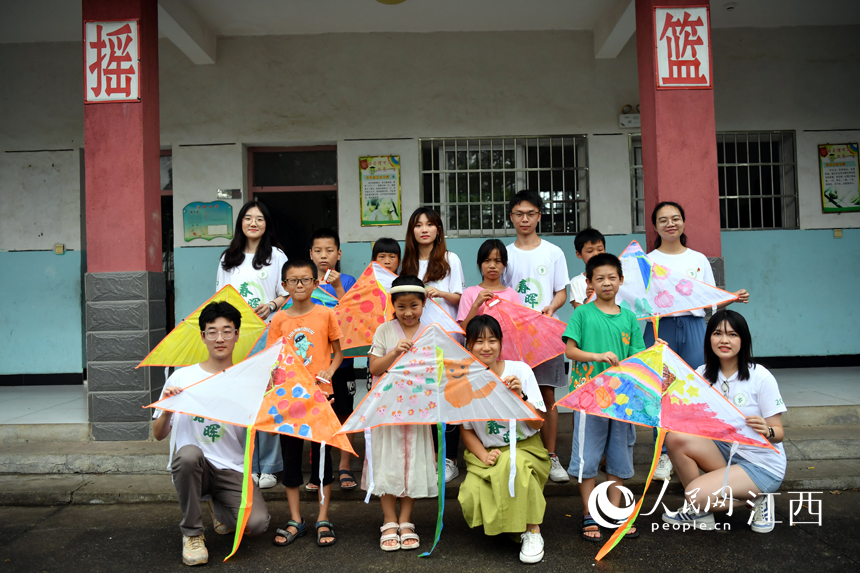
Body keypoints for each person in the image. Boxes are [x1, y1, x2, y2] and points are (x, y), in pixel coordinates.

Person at [153, 301, 270, 566]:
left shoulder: (249, 381)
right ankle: (192, 534)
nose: (220, 338)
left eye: (227, 331)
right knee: (189, 455)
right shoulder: (181, 379)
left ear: (237, 335)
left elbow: (269, 431)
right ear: (203, 336)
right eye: (213, 331)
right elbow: (159, 434)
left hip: (231, 469)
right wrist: (168, 410)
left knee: (257, 525)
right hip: (194, 466)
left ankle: (217, 505)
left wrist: (293, 404)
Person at [645, 201, 750, 480]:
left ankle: (698, 447)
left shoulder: (698, 259)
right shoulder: (646, 261)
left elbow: (708, 296)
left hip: (693, 327)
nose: (671, 224)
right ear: (655, 226)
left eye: (676, 218)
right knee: (661, 391)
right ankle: (663, 454)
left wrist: (730, 296)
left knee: (696, 389)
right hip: (659, 329)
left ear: (683, 222)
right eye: (664, 220)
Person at [662, 309, 785, 533]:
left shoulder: (760, 377)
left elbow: (779, 433)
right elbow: (678, 408)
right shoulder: (701, 375)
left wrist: (767, 430)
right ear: (709, 338)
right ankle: (702, 515)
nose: (724, 340)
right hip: (725, 453)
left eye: (732, 334)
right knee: (675, 438)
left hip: (760, 463)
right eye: (718, 333)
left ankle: (758, 499)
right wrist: (663, 359)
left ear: (743, 340)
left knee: (694, 495)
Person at [563, 253, 646, 542]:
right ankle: (588, 513)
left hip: (622, 400)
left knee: (619, 458)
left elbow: (638, 358)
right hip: (588, 398)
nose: (606, 283)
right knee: (587, 457)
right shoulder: (582, 314)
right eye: (599, 278)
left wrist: (653, 360)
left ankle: (613, 512)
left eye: (612, 277)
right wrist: (597, 356)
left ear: (621, 280)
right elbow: (569, 351)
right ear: (589, 283)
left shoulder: (629, 317)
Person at [459, 315, 550, 564]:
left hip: (526, 447)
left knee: (515, 464)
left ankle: (532, 531)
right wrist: (483, 455)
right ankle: (512, 526)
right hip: (488, 450)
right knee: (471, 492)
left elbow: (537, 422)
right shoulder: (464, 380)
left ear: (501, 343)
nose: (486, 347)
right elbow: (466, 430)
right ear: (468, 345)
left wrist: (519, 397)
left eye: (492, 340)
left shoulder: (520, 370)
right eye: (478, 341)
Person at [267, 259, 344, 548]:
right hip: (288, 400)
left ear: (315, 283)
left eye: (305, 280)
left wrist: (330, 372)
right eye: (293, 281)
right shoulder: (279, 320)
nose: (299, 285)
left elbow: (339, 353)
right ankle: (295, 519)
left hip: (322, 396)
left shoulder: (326, 314)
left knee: (322, 461)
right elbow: (273, 360)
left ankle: (323, 518)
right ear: (284, 286)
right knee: (290, 461)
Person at [216, 200, 288, 490]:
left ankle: (269, 466)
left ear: (266, 224)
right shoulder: (228, 258)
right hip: (237, 338)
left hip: (268, 337)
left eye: (259, 218)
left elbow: (286, 293)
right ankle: (249, 464)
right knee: (242, 402)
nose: (253, 223)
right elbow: (220, 297)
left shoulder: (277, 257)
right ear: (240, 223)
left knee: (267, 400)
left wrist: (270, 304)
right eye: (248, 218)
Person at [364, 275, 438, 552]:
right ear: (392, 305)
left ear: (424, 304)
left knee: (413, 464)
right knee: (388, 463)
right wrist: (395, 352)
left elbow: (436, 371)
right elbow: (374, 368)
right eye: (402, 306)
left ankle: (406, 521)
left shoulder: (431, 331)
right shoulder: (384, 331)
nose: (408, 312)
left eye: (414, 306)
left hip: (418, 411)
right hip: (387, 410)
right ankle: (389, 520)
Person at [502, 190, 570, 484]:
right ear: (511, 218)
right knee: (512, 392)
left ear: (540, 216)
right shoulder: (505, 254)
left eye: (530, 213)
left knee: (548, 395)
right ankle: (517, 450)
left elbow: (562, 292)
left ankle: (551, 455)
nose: (525, 219)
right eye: (519, 214)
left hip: (546, 334)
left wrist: (551, 308)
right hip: (514, 337)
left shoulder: (553, 252)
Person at [402, 207, 465, 482]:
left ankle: (449, 459)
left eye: (430, 224)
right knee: (424, 399)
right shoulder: (408, 262)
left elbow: (462, 300)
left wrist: (440, 293)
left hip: (448, 338)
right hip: (417, 340)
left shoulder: (450, 259)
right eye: (418, 225)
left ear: (438, 229)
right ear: (412, 231)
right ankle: (428, 459)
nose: (424, 229)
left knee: (449, 399)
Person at [308, 228, 358, 492]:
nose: (323, 255)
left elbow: (352, 317)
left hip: (343, 361)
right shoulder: (305, 282)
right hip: (314, 363)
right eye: (318, 250)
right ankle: (319, 470)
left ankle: (344, 465)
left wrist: (337, 286)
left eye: (329, 250)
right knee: (317, 413)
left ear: (338, 254)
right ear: (310, 254)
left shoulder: (348, 280)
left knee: (343, 413)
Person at [457, 239, 521, 332]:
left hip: (506, 346)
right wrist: (476, 305)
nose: (492, 265)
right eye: (487, 260)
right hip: (478, 346)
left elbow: (519, 329)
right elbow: (464, 330)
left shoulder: (512, 295)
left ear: (505, 263)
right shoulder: (469, 293)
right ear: (479, 263)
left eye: (497, 261)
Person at [568, 228, 605, 308]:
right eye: (590, 251)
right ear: (579, 254)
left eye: (600, 250)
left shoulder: (614, 279)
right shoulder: (577, 282)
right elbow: (579, 315)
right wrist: (590, 299)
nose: (596, 254)